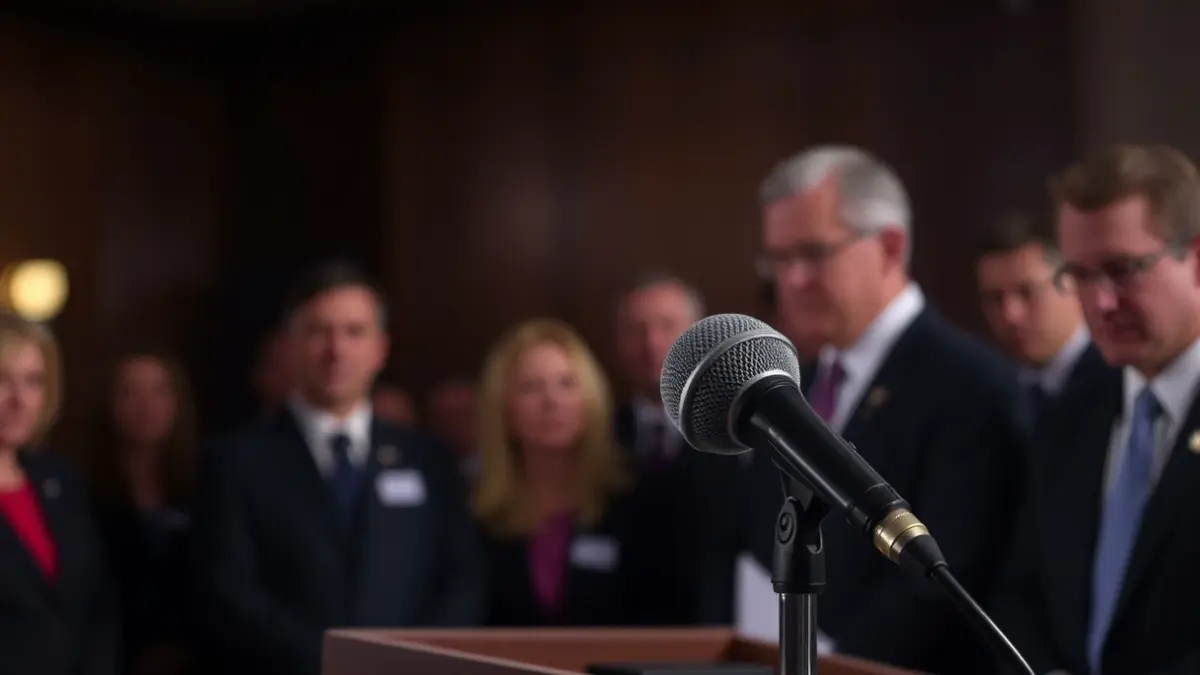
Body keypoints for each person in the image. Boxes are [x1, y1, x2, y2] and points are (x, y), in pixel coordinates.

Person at [750, 145, 1024, 673]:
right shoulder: (793, 379)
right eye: (779, 259)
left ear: (890, 246)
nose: (792, 281)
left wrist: (829, 666)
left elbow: (943, 579)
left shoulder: (970, 385)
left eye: (811, 253)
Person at [193, 262, 484, 675]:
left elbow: (461, 579)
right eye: (318, 332)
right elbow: (230, 592)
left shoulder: (428, 461)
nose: (337, 350)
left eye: (354, 332)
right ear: (291, 346)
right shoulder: (235, 462)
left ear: (380, 348)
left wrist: (416, 662)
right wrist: (334, 663)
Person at [992, 144, 1200, 675]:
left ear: (1195, 258)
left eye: (1123, 269)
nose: (1100, 303)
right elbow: (1023, 590)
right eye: (1080, 276)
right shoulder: (1071, 413)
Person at [474, 319, 660, 625]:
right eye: (530, 387)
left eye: (567, 384)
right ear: (504, 409)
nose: (552, 401)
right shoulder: (478, 514)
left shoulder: (637, 500)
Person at [613, 271, 743, 624]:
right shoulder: (599, 439)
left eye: (668, 326)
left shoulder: (740, 439)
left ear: (698, 337)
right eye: (636, 330)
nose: (652, 343)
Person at [0, 311, 117, 675]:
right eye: (1, 380)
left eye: (34, 381)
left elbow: (98, 600)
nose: (20, 399)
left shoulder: (59, 479)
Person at [85, 348, 198, 675]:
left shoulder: (206, 485)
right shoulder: (82, 491)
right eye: (129, 393)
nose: (146, 406)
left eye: (159, 391)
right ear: (108, 403)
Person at [976, 211, 1110, 425]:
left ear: (1073, 283)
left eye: (1027, 292)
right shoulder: (988, 395)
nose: (1011, 315)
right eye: (994, 298)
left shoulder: (1119, 380)